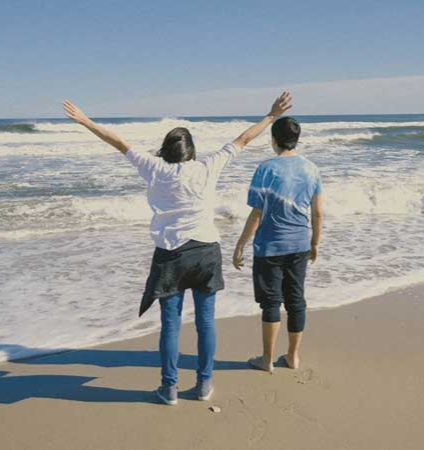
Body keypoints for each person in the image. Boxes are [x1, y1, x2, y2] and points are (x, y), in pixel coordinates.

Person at [63, 92, 292, 405]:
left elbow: (118, 142)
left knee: (170, 325)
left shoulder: (154, 168)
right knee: (205, 322)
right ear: (191, 152)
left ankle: (169, 389)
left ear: (166, 151)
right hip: (206, 252)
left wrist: (85, 120)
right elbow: (243, 139)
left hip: (170, 256)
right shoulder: (207, 167)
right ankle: (203, 385)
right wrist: (270, 116)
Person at [233, 116, 323, 373]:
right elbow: (317, 213)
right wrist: (315, 242)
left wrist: (240, 244)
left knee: (271, 302)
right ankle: (293, 357)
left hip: (270, 246)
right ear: (297, 139)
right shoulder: (311, 168)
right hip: (299, 244)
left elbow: (257, 213)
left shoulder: (266, 168)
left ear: (273, 139)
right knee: (296, 300)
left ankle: (267, 359)